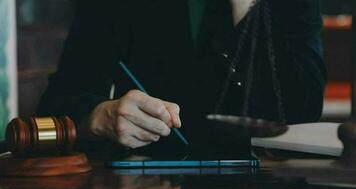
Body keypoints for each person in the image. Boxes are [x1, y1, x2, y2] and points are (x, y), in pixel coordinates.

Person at [38, 0, 326, 150]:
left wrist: (244, 9)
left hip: (266, 183)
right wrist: (100, 117)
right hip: (153, 180)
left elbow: (304, 109)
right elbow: (58, 102)